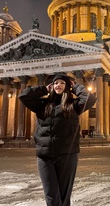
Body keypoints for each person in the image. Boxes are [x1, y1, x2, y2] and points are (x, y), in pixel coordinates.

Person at [18, 74, 96, 206]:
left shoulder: (74, 105)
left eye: (62, 83)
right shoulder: (42, 104)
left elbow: (90, 98)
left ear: (67, 87)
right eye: (55, 83)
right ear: (52, 86)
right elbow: (24, 96)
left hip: (67, 155)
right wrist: (43, 90)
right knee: (51, 195)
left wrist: (75, 87)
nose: (58, 85)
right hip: (45, 156)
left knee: (64, 196)